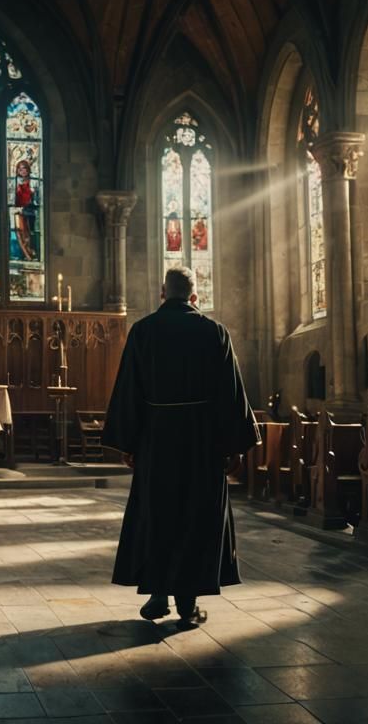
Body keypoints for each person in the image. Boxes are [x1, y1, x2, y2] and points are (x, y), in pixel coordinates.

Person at [104, 266, 259, 626]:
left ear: (163, 293)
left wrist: (130, 442)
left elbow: (130, 390)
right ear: (194, 296)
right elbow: (230, 395)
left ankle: (158, 594)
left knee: (158, 516)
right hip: (201, 444)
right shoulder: (214, 332)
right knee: (195, 518)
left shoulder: (142, 332)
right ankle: (187, 605)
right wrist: (233, 446)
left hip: (157, 442)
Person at [12, 159, 38, 260]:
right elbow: (11, 197)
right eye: (20, 169)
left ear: (28, 170)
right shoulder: (14, 182)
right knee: (20, 232)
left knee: (29, 233)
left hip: (30, 211)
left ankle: (30, 252)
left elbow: (36, 198)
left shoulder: (34, 182)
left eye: (25, 168)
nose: (23, 171)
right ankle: (26, 254)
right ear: (17, 170)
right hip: (18, 211)